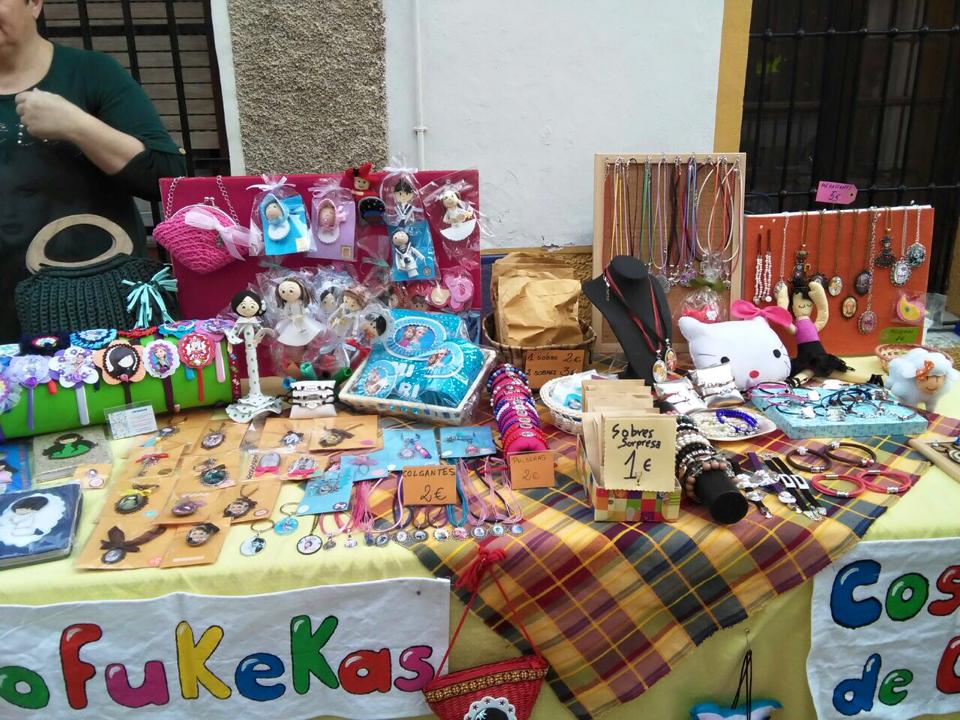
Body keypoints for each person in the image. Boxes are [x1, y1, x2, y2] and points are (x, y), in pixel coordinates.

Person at [0, 0, 187, 341]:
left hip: (101, 308)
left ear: (35, 3)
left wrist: (76, 125)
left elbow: (167, 178)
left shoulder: (91, 73)